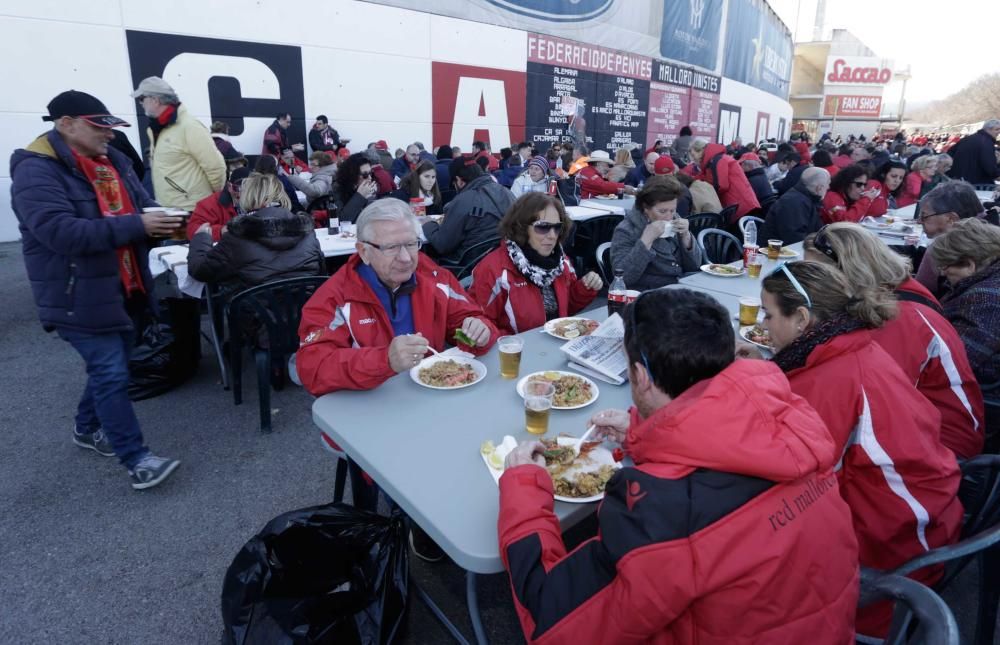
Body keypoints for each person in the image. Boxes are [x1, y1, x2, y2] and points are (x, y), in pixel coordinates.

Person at [499, 288, 860, 644]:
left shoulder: (661, 510)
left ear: (640, 376)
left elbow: (549, 615)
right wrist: (644, 434)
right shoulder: (793, 425)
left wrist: (523, 491)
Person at [754, 261, 962, 636]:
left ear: (802, 319)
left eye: (768, 316)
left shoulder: (831, 379)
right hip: (928, 521)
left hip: (891, 559)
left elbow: (786, 480)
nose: (763, 326)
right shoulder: (852, 346)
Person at [10, 90, 182, 490]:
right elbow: (60, 232)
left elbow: (141, 206)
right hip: (75, 295)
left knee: (111, 367)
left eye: (109, 125)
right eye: (98, 126)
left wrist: (171, 218)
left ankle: (86, 428)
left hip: (123, 285)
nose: (108, 133)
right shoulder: (35, 171)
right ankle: (136, 458)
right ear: (65, 124)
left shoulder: (113, 161)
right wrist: (140, 226)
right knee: (110, 370)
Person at [804, 224, 984, 459]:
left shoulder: (902, 319)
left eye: (818, 277)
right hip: (917, 427)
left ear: (847, 272)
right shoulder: (896, 292)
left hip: (940, 449)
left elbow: (865, 398)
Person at [296, 198, 498, 394]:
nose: (405, 258)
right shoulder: (335, 298)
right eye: (391, 247)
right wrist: (384, 360)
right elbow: (313, 369)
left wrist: (480, 331)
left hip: (430, 395)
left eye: (411, 244)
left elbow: (469, 320)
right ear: (363, 252)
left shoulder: (435, 278)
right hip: (368, 407)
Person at [470, 193, 601, 334]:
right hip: (515, 351)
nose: (552, 235)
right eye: (543, 227)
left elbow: (566, 309)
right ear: (522, 228)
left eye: (557, 227)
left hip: (553, 345)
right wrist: (516, 343)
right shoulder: (493, 269)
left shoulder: (561, 261)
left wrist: (585, 288)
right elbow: (479, 326)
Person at [188, 173, 323, 290]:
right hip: (305, 311)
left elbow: (200, 271)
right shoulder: (306, 231)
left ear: (248, 196)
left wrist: (202, 237)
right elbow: (320, 269)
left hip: (257, 315)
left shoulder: (238, 235)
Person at [931, 219, 1000, 440]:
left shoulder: (986, 300)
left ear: (970, 264)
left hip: (977, 403)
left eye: (946, 266)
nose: (943, 273)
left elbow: (954, 363)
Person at [132, 76, 226, 211]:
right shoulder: (157, 128)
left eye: (142, 99)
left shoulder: (189, 126)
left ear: (155, 100)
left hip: (193, 212)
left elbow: (216, 167)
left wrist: (209, 202)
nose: (140, 103)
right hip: (170, 212)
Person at [610, 181, 701, 291]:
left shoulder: (675, 218)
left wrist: (686, 237)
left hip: (681, 286)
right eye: (662, 211)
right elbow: (623, 278)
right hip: (649, 294)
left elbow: (695, 265)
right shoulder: (627, 230)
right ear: (646, 209)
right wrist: (646, 241)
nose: (668, 217)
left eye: (672, 210)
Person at [422, 162, 515, 266]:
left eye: (454, 184)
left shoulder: (464, 200)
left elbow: (442, 244)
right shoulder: (506, 192)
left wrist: (428, 224)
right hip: (502, 260)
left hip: (465, 265)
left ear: (459, 180)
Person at [915, 180, 989, 297]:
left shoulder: (942, 248)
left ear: (951, 219)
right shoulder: (990, 230)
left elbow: (919, 294)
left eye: (924, 215)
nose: (919, 221)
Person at [689, 139, 760, 222]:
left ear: (701, 150)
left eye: (694, 155)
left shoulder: (717, 160)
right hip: (743, 204)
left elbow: (721, 185)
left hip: (741, 207)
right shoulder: (714, 161)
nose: (694, 159)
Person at [760, 167, 829, 245]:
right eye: (828, 185)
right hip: (775, 252)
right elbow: (794, 238)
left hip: (787, 248)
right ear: (819, 188)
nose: (828, 188)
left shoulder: (806, 199)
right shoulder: (794, 202)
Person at [187, 167, 250, 241]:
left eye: (250, 189)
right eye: (238, 189)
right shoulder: (210, 204)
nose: (244, 193)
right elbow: (192, 231)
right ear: (229, 187)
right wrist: (221, 231)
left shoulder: (262, 201)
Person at [946, 119, 1000, 184]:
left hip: (959, 179)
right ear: (988, 129)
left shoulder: (967, 139)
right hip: (977, 182)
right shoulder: (986, 143)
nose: (999, 132)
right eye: (997, 129)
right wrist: (996, 173)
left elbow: (949, 153)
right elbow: (989, 165)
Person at [332, 152, 379, 223]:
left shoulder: (371, 185)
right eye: (365, 174)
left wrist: (371, 198)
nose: (369, 177)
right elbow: (342, 221)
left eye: (370, 173)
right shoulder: (338, 188)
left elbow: (373, 218)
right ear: (353, 175)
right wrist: (359, 196)